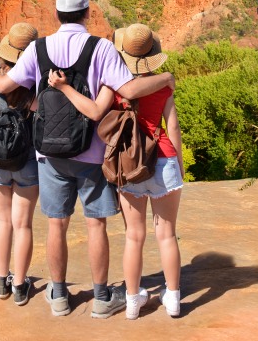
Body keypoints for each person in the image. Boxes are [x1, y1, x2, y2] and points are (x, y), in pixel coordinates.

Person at [0, 0, 174, 319]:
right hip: (92, 153)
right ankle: (101, 298)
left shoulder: (38, 48)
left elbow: (2, 87)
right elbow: (128, 90)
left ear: (56, 15)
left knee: (56, 225)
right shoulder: (101, 48)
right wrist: (167, 78)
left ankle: (58, 296)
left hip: (48, 154)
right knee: (95, 225)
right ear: (87, 14)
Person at [48, 23, 183, 320]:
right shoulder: (163, 84)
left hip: (127, 164)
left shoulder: (112, 85)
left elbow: (94, 112)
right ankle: (172, 299)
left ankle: (133, 302)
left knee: (134, 236)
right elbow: (171, 127)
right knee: (167, 234)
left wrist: (63, 87)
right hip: (163, 159)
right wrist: (179, 166)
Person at [0, 22, 40, 306]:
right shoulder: (34, 80)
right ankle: (19, 286)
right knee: (23, 224)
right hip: (27, 160)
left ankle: (1, 281)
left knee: (3, 221)